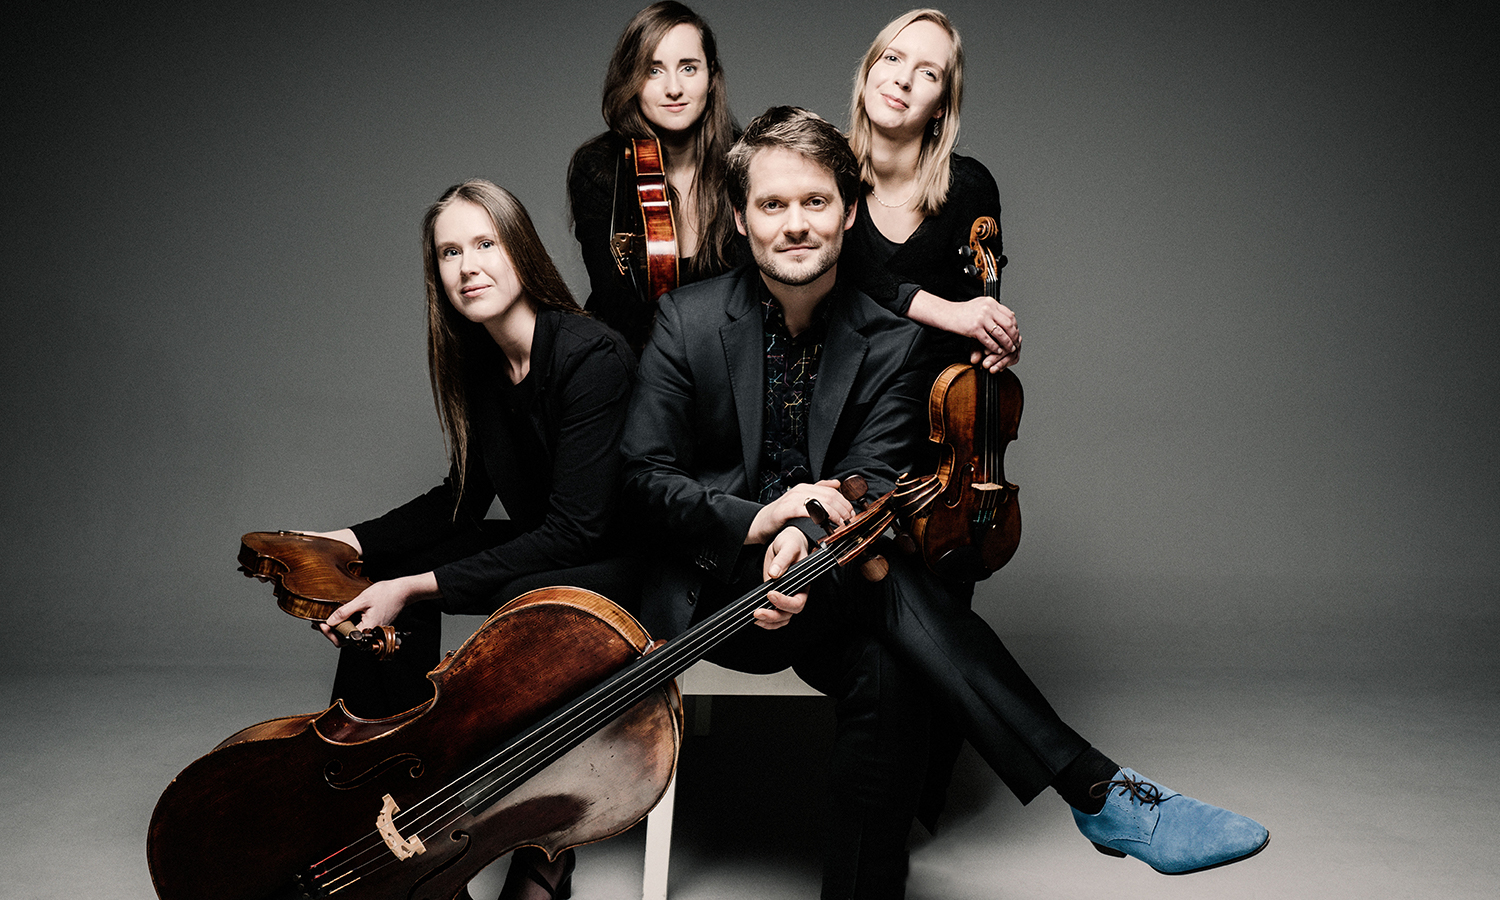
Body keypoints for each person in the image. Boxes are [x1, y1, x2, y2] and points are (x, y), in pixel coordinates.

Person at [621, 106, 1268, 900]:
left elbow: (867, 473)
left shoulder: (889, 337)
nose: (796, 225)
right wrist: (760, 521)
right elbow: (643, 479)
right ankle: (1098, 791)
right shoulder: (685, 322)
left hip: (826, 579)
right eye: (773, 204)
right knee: (889, 585)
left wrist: (801, 528)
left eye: (816, 202)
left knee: (889, 665)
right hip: (710, 594)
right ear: (738, 216)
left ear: (850, 211)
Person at [307, 179, 635, 900]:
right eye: (449, 252)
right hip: (548, 543)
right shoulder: (485, 366)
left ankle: (545, 853)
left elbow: (578, 528)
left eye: (484, 243)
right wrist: (347, 543)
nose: (467, 265)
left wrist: (412, 585)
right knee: (392, 577)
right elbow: (459, 501)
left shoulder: (592, 354)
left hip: (623, 560)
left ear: (521, 250)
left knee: (503, 594)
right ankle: (381, 811)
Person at [843, 8, 1020, 373]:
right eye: (891, 58)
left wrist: (996, 339)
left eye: (927, 72)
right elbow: (843, 270)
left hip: (929, 411)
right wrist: (944, 311)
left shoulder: (970, 189)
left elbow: (974, 320)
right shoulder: (825, 171)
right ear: (867, 74)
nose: (903, 79)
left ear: (941, 105)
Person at [567, 1, 742, 352]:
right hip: (636, 364)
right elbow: (618, 307)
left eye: (689, 68)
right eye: (653, 70)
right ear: (632, 81)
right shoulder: (600, 166)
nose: (673, 88)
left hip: (728, 365)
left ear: (711, 77)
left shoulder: (746, 162)